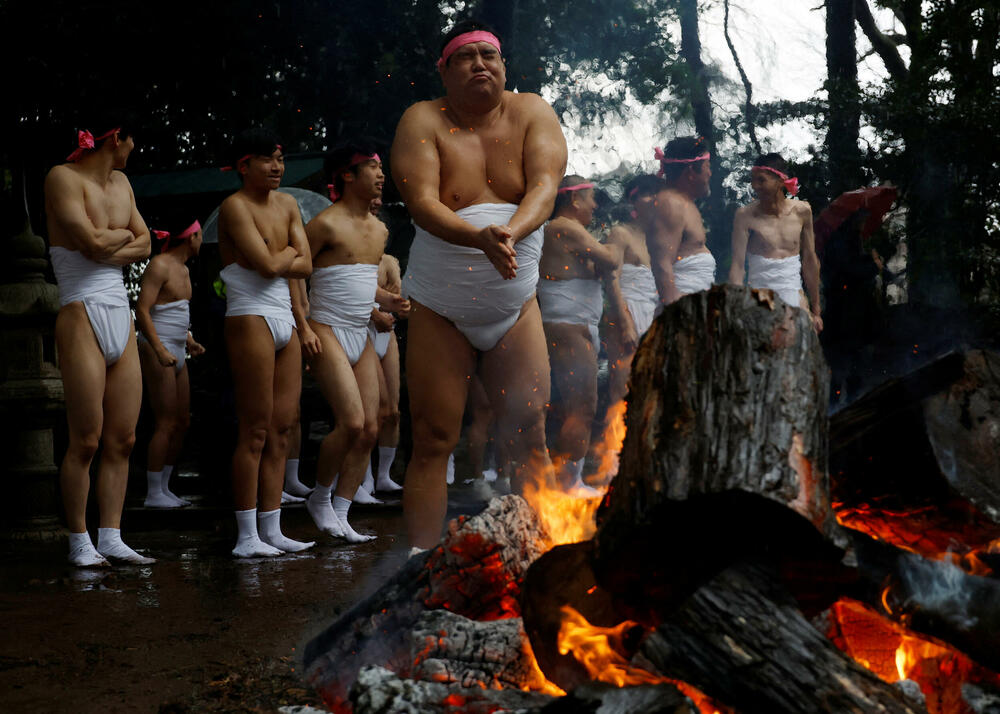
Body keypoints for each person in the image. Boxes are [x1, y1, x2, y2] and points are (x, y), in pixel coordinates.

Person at [391, 18, 567, 549]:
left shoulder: (532, 110)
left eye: (487, 55)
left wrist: (507, 233)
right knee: (433, 440)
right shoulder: (422, 120)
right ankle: (418, 567)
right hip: (439, 308)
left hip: (515, 307)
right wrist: (477, 238)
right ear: (444, 70)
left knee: (530, 438)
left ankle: (544, 561)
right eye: (464, 57)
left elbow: (546, 185)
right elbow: (421, 202)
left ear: (503, 65)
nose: (479, 65)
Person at [44, 121, 154, 566]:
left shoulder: (122, 182)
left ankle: (110, 535)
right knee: (86, 439)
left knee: (123, 438)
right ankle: (78, 541)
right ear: (117, 137)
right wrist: (122, 237)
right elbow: (88, 244)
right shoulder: (61, 177)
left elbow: (146, 245)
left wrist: (117, 242)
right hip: (80, 308)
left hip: (118, 310)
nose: (134, 149)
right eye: (133, 140)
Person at [298, 142, 407, 543]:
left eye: (381, 168)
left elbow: (359, 280)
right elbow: (296, 273)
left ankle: (341, 512)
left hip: (360, 328)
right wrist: (303, 325)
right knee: (352, 422)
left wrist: (388, 301)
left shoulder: (379, 229)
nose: (381, 174)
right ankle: (319, 497)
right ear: (347, 175)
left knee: (371, 428)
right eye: (371, 167)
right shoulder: (325, 223)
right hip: (325, 326)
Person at [217, 128, 314, 557]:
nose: (277, 167)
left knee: (282, 428)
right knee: (254, 428)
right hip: (249, 313)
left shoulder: (289, 203)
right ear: (244, 166)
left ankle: (272, 528)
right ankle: (245, 535)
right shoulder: (234, 208)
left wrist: (286, 258)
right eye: (267, 159)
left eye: (280, 158)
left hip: (283, 317)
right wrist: (287, 256)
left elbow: (305, 263)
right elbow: (267, 266)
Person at [538, 176, 622, 493]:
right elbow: (611, 260)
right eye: (590, 199)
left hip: (577, 325)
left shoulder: (567, 231)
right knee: (582, 407)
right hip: (567, 325)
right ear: (574, 201)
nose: (595, 205)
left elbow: (596, 269)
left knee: (576, 407)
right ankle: (567, 483)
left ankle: (567, 479)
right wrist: (615, 242)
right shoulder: (564, 226)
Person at [135, 218, 206, 508]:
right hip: (156, 346)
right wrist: (160, 348)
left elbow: (175, 309)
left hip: (177, 347)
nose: (201, 241)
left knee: (182, 421)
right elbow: (142, 309)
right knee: (165, 421)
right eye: (200, 236)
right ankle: (153, 492)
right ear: (191, 237)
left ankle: (164, 487)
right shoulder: (160, 265)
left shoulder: (184, 270)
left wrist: (188, 339)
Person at [728, 153, 822, 332]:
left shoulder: (802, 211)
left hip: (793, 293)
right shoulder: (744, 216)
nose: (755, 186)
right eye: (753, 180)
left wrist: (816, 308)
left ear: (780, 180)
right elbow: (738, 266)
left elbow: (810, 260)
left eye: (761, 180)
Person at [604, 174, 663, 408]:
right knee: (622, 386)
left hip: (653, 316)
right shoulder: (620, 233)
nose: (655, 200)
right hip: (625, 313)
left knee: (652, 388)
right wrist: (625, 322)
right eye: (648, 194)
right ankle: (615, 442)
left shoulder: (657, 239)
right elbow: (611, 280)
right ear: (634, 201)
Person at [643, 137, 716, 305]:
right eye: (707, 167)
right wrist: (678, 315)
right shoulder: (670, 204)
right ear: (691, 172)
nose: (710, 173)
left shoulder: (684, 204)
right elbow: (662, 265)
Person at [367, 248, 406, 493]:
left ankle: (383, 475)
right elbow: (350, 290)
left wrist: (380, 302)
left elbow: (397, 297)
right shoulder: (349, 255)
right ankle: (364, 478)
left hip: (386, 330)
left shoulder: (390, 260)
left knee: (392, 411)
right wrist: (374, 308)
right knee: (371, 413)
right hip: (362, 328)